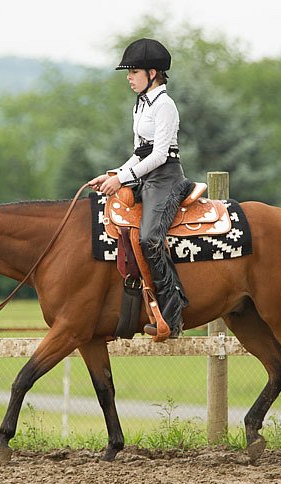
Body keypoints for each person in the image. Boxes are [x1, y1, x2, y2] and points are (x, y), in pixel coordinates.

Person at [88, 38, 193, 340]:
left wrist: (122, 179)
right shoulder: (141, 105)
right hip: (146, 177)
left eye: (133, 71)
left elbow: (159, 155)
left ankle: (172, 314)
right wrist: (112, 174)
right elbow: (139, 153)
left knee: (149, 237)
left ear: (152, 73)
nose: (128, 77)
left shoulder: (165, 105)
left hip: (167, 179)